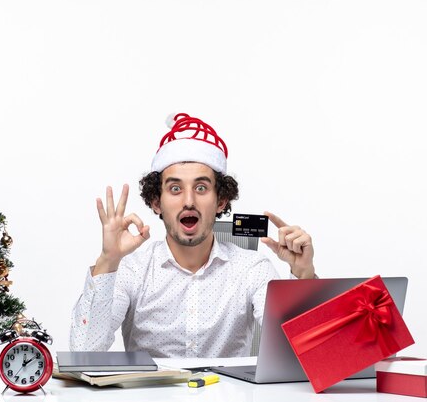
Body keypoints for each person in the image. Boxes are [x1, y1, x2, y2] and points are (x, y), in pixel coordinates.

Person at [70, 113, 316, 358]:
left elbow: (302, 354)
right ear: (157, 202)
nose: (189, 201)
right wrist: (108, 260)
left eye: (201, 188)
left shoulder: (252, 269)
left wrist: (303, 276)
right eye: (175, 189)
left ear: (221, 200)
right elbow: (83, 353)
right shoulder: (133, 271)